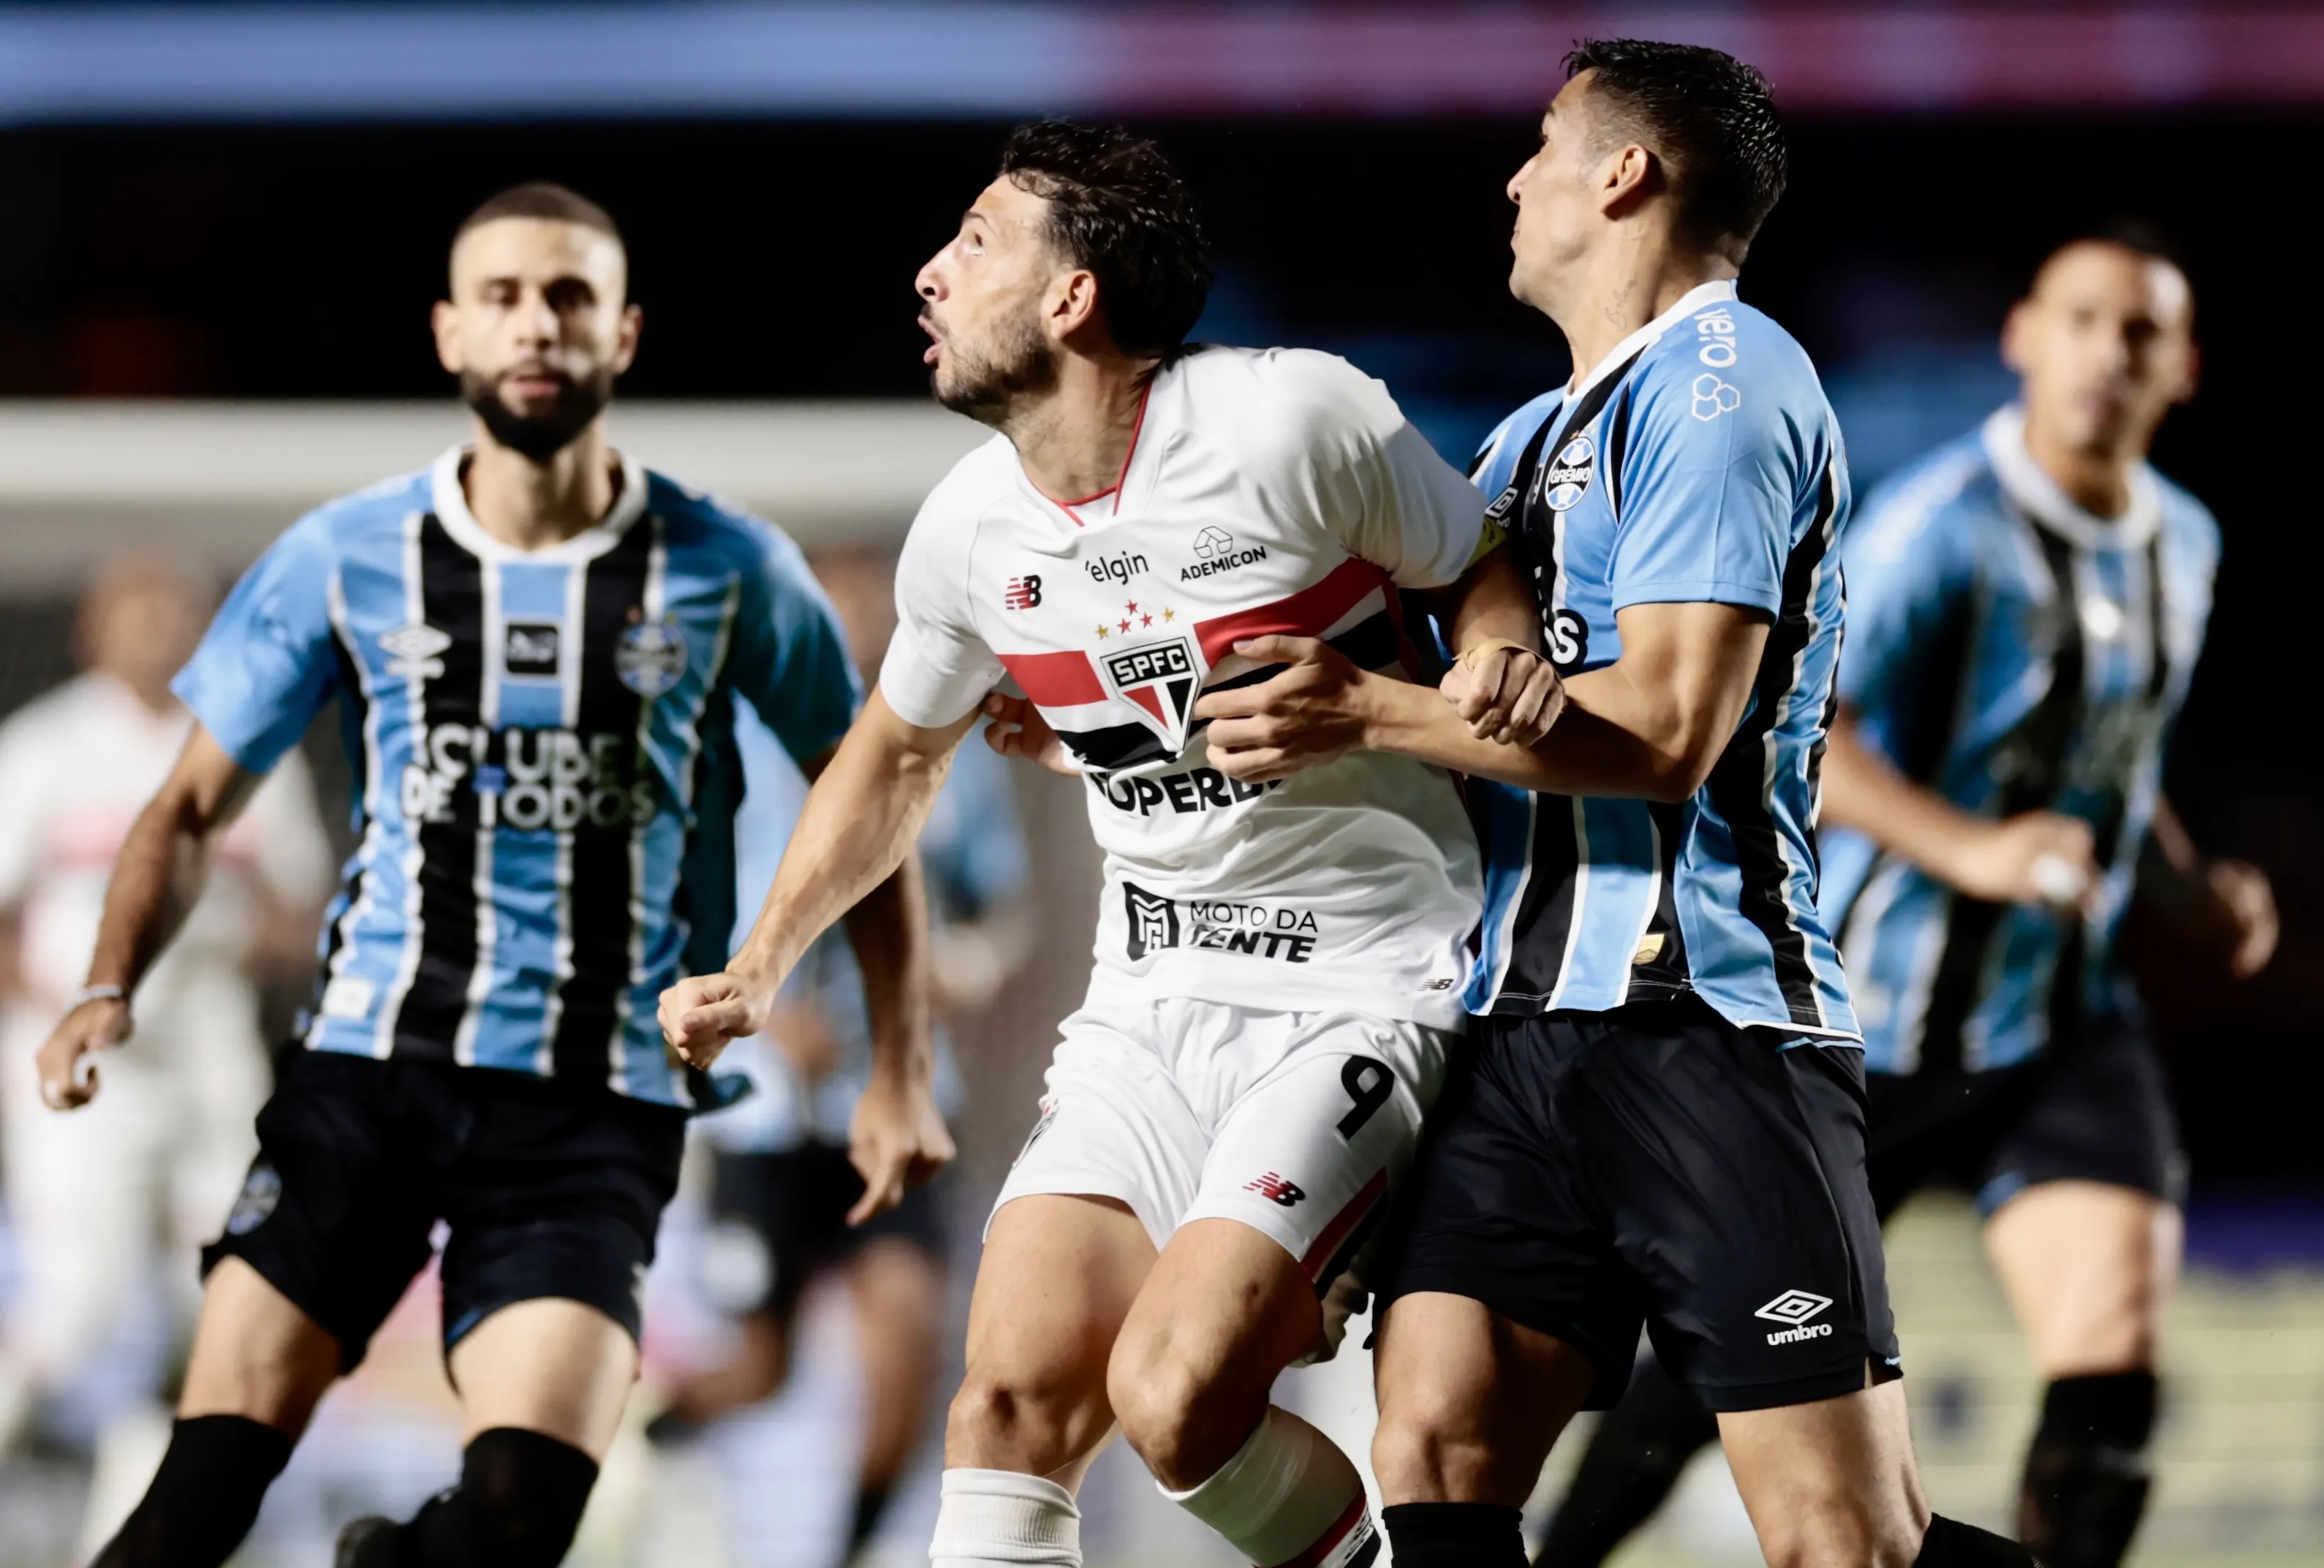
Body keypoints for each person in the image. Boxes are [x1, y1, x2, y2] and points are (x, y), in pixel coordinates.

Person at [1181, 39, 2038, 1567]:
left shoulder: (1726, 379)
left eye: (1542, 145)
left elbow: (1664, 733)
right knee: (1434, 1450)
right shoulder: (1519, 446)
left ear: (1625, 174)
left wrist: (1372, 705)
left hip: (1704, 1023)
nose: (1515, 179)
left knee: (1842, 1539)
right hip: (1515, 1037)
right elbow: (1411, 715)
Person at [659, 121, 1551, 1568]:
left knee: (1174, 1398)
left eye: (976, 244)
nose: (931, 275)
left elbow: (1479, 563)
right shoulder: (966, 535)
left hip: (1356, 989)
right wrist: (765, 965)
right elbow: (892, 752)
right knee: (1005, 1404)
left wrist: (1498, 658)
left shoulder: (1294, 423)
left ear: (1071, 299)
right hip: (1143, 1010)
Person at [28, 180, 936, 1568]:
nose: (537, 325)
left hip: (596, 1102)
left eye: (569, 297)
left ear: (622, 336)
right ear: (451, 335)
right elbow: (190, 807)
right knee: (199, 1493)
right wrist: (107, 982)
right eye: (504, 297)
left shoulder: (732, 568)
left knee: (521, 1517)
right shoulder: (348, 555)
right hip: (368, 1076)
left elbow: (869, 796)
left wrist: (898, 1069)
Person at [1529, 230, 2275, 1568]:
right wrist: (1975, 854)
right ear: (2024, 339)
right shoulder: (1943, 528)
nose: (2110, 353)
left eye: (2142, 332)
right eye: (2085, 319)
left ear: (2185, 370)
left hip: (2061, 1023)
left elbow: (2116, 760)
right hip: (1870, 1022)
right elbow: (1815, 737)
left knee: (2112, 1374)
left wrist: (2189, 890)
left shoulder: (2189, 545)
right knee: (1738, 1362)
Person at [654, 548, 1032, 1567]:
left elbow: (997, 918)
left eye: (868, 617)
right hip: (765, 1111)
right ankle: (635, 1449)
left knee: (907, 1353)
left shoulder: (958, 753)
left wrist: (953, 970)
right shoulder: (719, 739)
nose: (850, 636)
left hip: (895, 1099)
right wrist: (758, 1012)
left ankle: (847, 1557)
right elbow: (666, 916)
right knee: (758, 1366)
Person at [0, 558, 330, 1547]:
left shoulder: (253, 743)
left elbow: (300, 908)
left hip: (209, 1053)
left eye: (179, 611)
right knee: (79, 1298)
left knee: (215, 1298)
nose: (161, 629)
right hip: (86, 1064)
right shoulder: (41, 748)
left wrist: (242, 935)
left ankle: (129, 1534)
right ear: (95, 628)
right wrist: (57, 1004)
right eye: (140, 611)